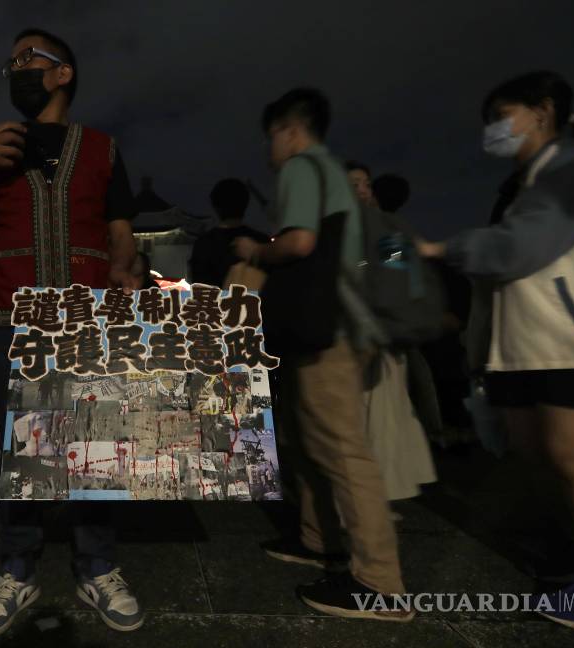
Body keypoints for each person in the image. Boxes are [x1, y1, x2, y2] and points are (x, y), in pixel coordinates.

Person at [0, 29, 144, 640]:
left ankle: (97, 564)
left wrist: (124, 272)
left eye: (28, 58)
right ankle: (17, 567)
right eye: (11, 63)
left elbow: (120, 229)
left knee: (95, 444)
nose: (16, 69)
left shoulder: (103, 148)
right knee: (23, 449)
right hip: (11, 318)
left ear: (63, 73)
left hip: (88, 313)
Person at [417, 70, 574, 631]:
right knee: (541, 459)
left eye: (502, 116)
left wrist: (441, 248)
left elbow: (520, 246)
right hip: (529, 345)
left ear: (543, 111)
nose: (493, 130)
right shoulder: (533, 179)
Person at [233, 88, 411, 621]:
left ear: (288, 131)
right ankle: (318, 539)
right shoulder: (334, 177)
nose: (269, 150)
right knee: (311, 439)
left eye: (270, 137)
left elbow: (300, 242)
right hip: (340, 326)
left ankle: (380, 583)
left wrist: (255, 250)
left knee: (342, 448)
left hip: (329, 328)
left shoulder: (303, 166)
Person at [345, 161, 437, 510]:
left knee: (379, 418)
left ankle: (373, 501)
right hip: (360, 333)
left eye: (365, 183)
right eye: (354, 184)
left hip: (378, 335)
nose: (362, 190)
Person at [189, 179, 270, 287]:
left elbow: (199, 285)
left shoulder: (203, 244)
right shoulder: (261, 241)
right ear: (245, 204)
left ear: (215, 206)